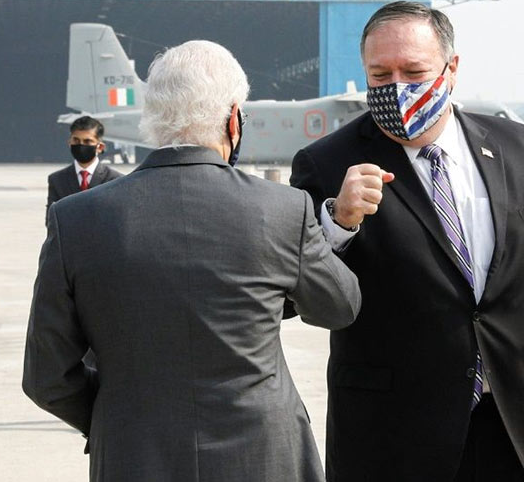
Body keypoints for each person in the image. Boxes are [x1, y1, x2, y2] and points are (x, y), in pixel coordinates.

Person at [290, 2, 524, 482]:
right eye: (380, 75)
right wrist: (338, 223)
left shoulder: (517, 146)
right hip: (391, 437)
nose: (396, 87)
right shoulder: (326, 163)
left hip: (509, 422)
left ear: (452, 68)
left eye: (414, 70)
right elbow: (299, 296)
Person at [22, 40, 361, 482]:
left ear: (153, 118)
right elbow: (339, 306)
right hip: (265, 459)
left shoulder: (75, 219)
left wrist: (117, 419)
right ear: (234, 119)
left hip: (133, 456)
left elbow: (47, 377)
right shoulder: (283, 210)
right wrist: (339, 225)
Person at [45, 116, 122, 225]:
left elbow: (118, 220)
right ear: (69, 142)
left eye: (87, 141)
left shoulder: (115, 180)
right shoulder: (57, 180)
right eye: (76, 140)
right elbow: (51, 221)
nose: (81, 145)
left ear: (100, 147)